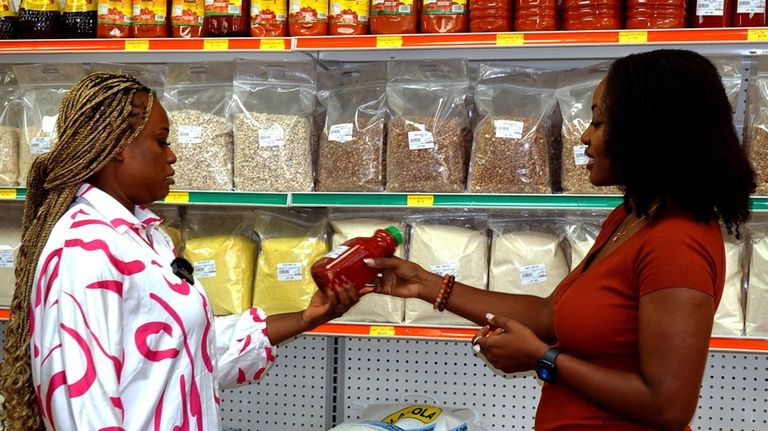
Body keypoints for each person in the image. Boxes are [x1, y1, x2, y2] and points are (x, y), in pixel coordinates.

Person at [366, 49, 756, 431]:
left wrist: (543, 358)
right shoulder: (631, 217)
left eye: (600, 122)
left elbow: (667, 406)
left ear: (648, 131)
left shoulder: (676, 242)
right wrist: (426, 285)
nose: (584, 136)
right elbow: (551, 317)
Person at [0, 72, 369, 431]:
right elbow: (82, 410)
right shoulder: (85, 248)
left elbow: (187, 354)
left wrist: (307, 317)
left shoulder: (143, 237)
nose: (173, 155)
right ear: (115, 146)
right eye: (161, 141)